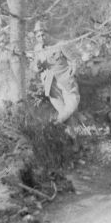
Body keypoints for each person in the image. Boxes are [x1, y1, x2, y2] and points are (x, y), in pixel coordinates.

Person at [32, 21, 81, 150]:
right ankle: (72, 141)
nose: (41, 38)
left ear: (48, 33)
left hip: (65, 82)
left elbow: (74, 59)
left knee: (71, 106)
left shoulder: (60, 45)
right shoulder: (37, 49)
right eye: (38, 36)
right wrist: (37, 67)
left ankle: (56, 124)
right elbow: (34, 67)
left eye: (43, 34)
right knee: (63, 111)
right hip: (50, 85)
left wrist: (72, 71)